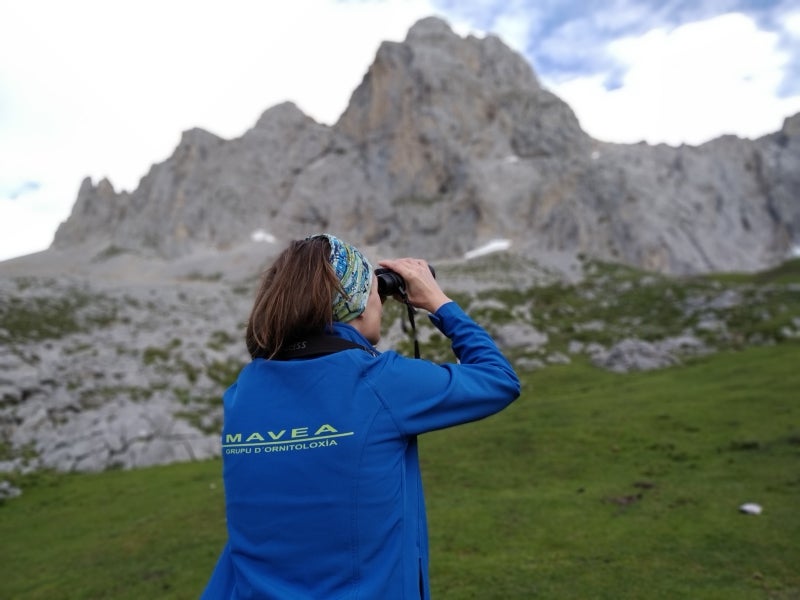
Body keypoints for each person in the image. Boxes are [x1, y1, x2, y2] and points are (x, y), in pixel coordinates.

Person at [201, 233, 520, 599]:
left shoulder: (243, 393)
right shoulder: (379, 383)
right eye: (374, 291)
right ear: (356, 304)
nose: (380, 304)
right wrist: (438, 301)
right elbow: (499, 379)